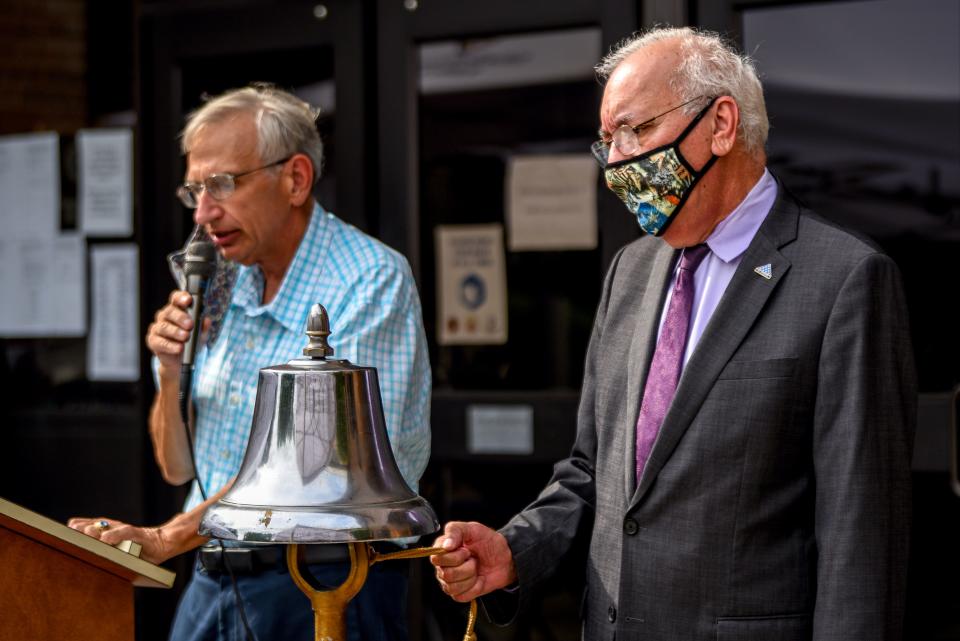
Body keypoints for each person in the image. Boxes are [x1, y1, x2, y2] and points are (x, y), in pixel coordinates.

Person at [431, 26, 916, 641]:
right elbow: (590, 474)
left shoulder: (844, 279)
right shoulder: (631, 271)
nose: (617, 161)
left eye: (635, 130)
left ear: (720, 125)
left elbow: (860, 538)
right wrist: (514, 550)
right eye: (606, 141)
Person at [69, 84, 432, 641]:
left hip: (321, 583)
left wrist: (166, 539)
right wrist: (170, 370)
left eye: (222, 184)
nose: (205, 213)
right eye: (194, 190)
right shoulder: (218, 279)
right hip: (211, 571)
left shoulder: (367, 279)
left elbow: (316, 473)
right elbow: (176, 467)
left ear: (296, 179)